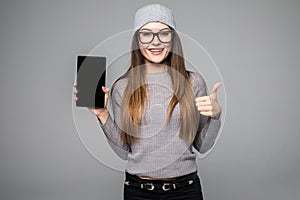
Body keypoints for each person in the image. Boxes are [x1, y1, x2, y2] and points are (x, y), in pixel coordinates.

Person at [73, 3, 222, 200]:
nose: (156, 42)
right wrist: (103, 115)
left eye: (164, 33)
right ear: (137, 40)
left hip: (185, 190)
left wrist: (215, 116)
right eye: (146, 34)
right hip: (138, 191)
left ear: (173, 39)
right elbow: (124, 151)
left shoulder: (193, 82)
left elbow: (203, 145)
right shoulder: (122, 87)